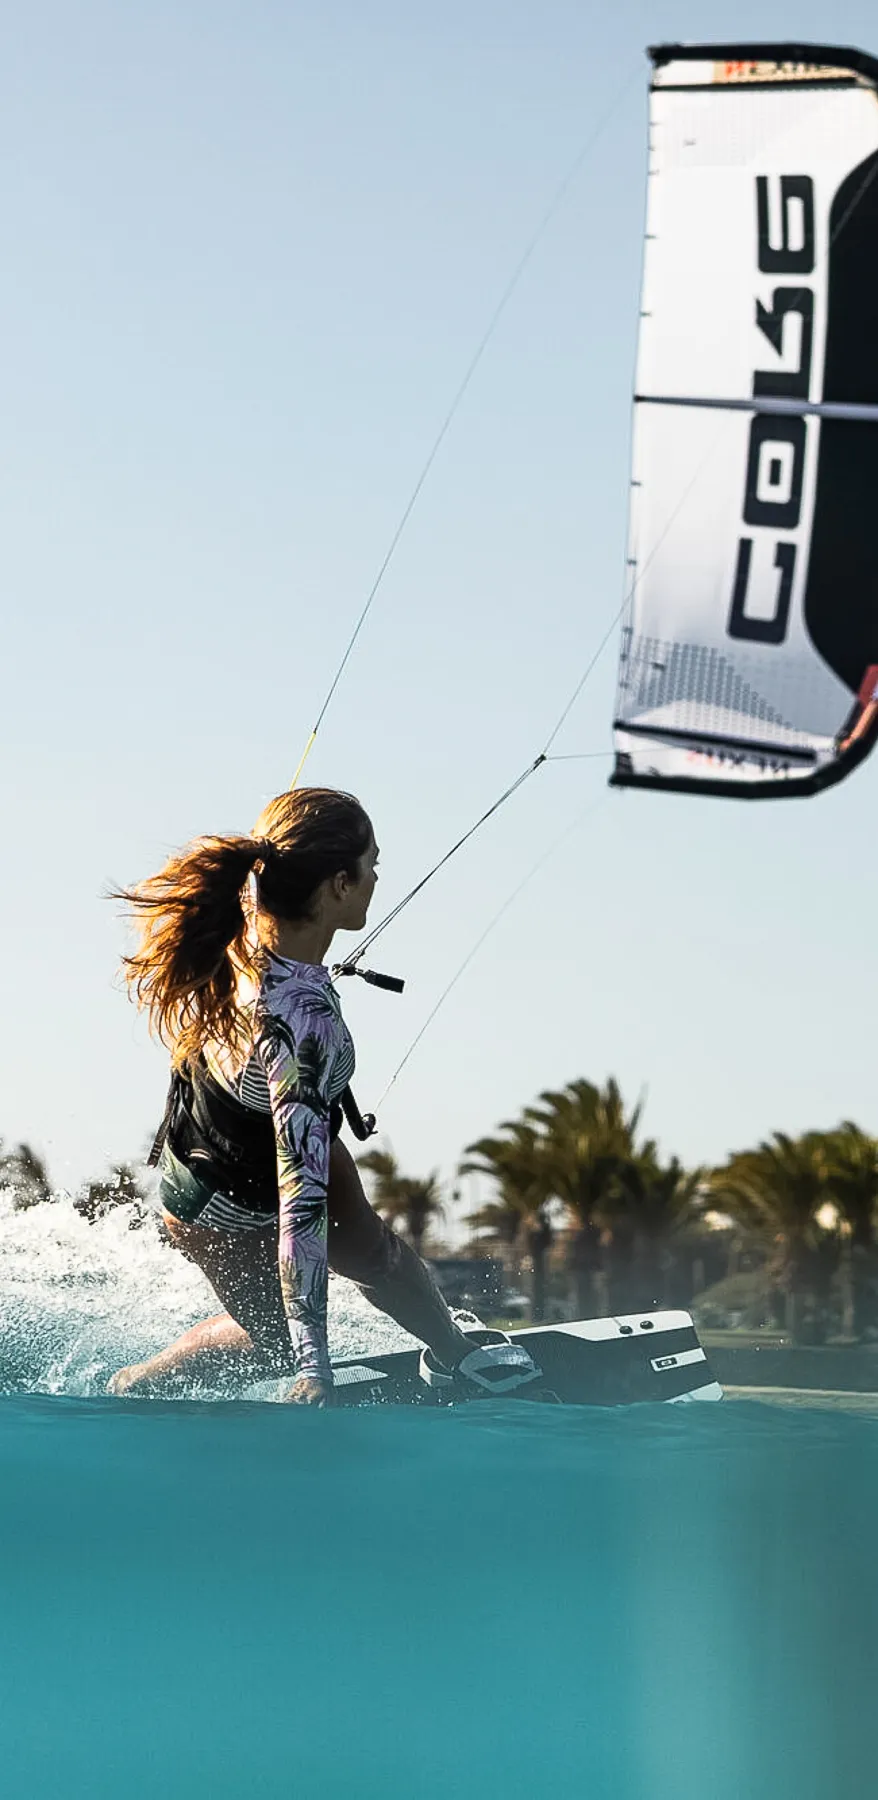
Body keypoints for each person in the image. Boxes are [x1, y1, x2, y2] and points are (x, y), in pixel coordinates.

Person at [106, 786, 497, 1406]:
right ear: (339, 884)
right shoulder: (300, 1022)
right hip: (217, 1201)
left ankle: (456, 1354)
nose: (376, 878)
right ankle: (130, 1386)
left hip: (281, 1132)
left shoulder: (242, 927)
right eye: (372, 864)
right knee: (279, 1344)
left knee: (378, 1255)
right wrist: (315, 1366)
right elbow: (301, 1209)